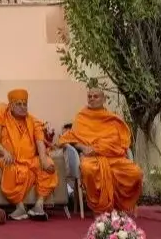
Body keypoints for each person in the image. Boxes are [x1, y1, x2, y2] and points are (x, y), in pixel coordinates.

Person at [57, 84, 142, 215]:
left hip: (113, 157)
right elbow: (73, 137)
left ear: (103, 99)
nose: (92, 99)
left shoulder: (112, 119)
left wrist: (101, 147)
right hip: (92, 158)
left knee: (135, 173)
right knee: (88, 169)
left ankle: (119, 206)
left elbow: (120, 142)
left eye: (95, 96)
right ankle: (100, 207)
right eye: (89, 96)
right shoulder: (82, 117)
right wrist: (82, 147)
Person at [0, 88, 57, 221]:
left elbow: (40, 141)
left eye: (25, 104)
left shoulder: (33, 121)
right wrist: (5, 152)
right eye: (19, 104)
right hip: (6, 157)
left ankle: (39, 206)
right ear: (11, 105)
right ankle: (20, 207)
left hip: (29, 159)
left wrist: (43, 158)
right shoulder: (0, 117)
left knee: (49, 166)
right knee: (11, 167)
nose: (23, 107)